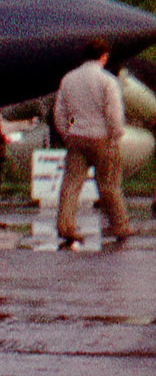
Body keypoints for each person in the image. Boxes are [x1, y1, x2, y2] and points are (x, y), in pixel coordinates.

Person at [52, 39, 129, 245]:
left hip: (77, 136)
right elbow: (113, 113)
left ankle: (65, 226)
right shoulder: (107, 80)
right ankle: (119, 224)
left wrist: (68, 132)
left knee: (71, 184)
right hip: (102, 137)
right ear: (103, 56)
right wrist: (116, 135)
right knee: (109, 184)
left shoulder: (69, 79)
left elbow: (61, 112)